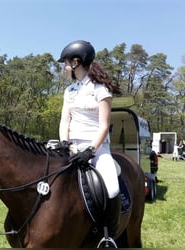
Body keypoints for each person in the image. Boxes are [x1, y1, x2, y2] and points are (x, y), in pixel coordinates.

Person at [58, 40, 121, 239]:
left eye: (66, 63)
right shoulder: (70, 91)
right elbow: (64, 121)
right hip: (72, 147)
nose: (65, 67)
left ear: (76, 62)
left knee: (112, 188)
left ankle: (108, 236)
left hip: (97, 149)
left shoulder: (100, 89)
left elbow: (103, 126)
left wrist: (90, 151)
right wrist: (65, 143)